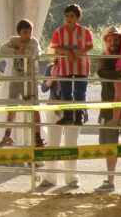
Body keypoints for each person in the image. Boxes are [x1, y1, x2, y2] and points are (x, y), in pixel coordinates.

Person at [0, 19, 45, 147]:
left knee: (35, 106)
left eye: (30, 31)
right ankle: (7, 135)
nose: (28, 34)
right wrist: (15, 51)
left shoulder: (33, 41)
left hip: (30, 78)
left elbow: (34, 53)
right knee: (12, 106)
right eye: (25, 32)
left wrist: (21, 51)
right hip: (16, 76)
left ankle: (38, 136)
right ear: (19, 32)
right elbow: (2, 49)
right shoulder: (14, 41)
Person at [39, 60, 81, 189]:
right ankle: (50, 176)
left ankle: (72, 177)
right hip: (54, 105)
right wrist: (53, 76)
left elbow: (80, 88)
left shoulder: (76, 66)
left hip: (72, 107)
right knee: (53, 141)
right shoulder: (50, 67)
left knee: (71, 142)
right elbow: (44, 88)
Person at [50, 3, 94, 125]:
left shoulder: (84, 31)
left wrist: (78, 52)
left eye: (72, 16)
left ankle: (79, 115)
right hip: (65, 66)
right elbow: (55, 46)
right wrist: (66, 52)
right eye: (66, 16)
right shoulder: (59, 32)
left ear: (78, 18)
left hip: (82, 66)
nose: (68, 19)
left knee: (80, 91)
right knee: (66, 91)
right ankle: (68, 115)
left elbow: (90, 45)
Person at [95, 26, 121, 192]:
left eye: (116, 39)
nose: (113, 42)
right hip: (108, 106)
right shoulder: (103, 56)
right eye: (110, 39)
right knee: (109, 145)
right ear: (106, 41)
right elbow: (102, 72)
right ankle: (109, 180)